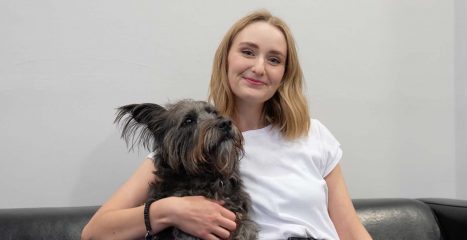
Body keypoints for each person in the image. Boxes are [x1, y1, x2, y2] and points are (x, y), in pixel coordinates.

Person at [82, 9, 372, 240]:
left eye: (274, 59)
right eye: (248, 52)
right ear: (226, 59)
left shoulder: (313, 135)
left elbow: (350, 231)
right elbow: (95, 232)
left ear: (284, 74)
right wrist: (169, 210)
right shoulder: (184, 148)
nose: (259, 67)